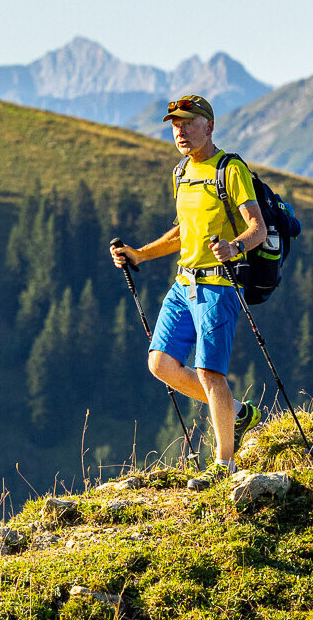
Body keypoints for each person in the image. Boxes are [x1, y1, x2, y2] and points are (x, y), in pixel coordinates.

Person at [110, 94, 266, 489]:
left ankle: (224, 463)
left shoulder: (230, 170)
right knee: (160, 364)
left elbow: (257, 228)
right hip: (185, 283)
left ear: (209, 126)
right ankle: (239, 415)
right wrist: (141, 254)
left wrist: (235, 247)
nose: (179, 130)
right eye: (174, 125)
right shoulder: (181, 173)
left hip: (219, 285)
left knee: (209, 371)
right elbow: (184, 232)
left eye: (188, 123)